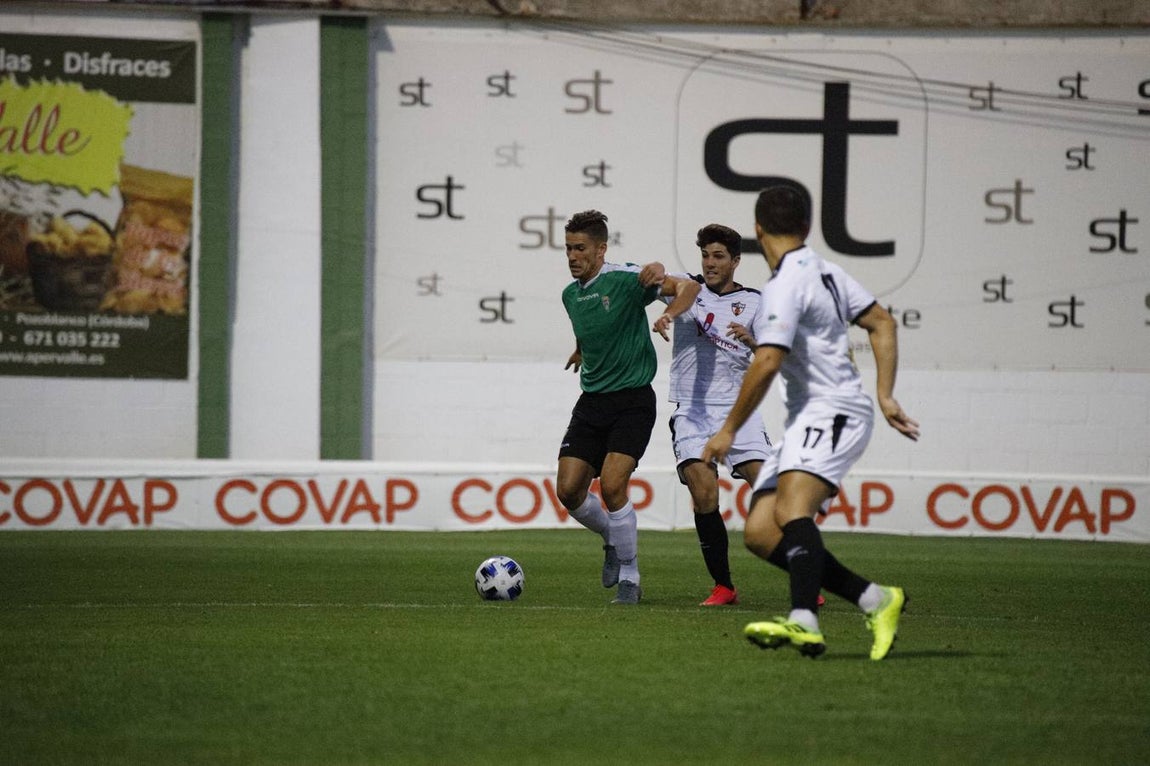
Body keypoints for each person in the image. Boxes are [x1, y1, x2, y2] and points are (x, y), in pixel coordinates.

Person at [702, 186, 920, 660]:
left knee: (792, 510)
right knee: (761, 531)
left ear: (757, 231)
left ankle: (804, 620)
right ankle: (875, 599)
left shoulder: (785, 284)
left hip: (834, 410)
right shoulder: (826, 271)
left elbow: (767, 360)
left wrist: (728, 430)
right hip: (813, 417)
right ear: (805, 227)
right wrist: (885, 394)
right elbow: (882, 322)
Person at [556, 209, 700, 605]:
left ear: (601, 249)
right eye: (568, 249)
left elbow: (689, 287)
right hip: (591, 402)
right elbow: (589, 326)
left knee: (612, 484)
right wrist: (581, 349)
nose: (572, 256)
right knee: (568, 490)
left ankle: (630, 577)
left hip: (632, 400)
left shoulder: (625, 280)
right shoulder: (570, 295)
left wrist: (668, 313)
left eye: (580, 248)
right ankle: (610, 536)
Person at [657, 224, 771, 606]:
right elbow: (657, 280)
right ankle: (724, 586)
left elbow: (772, 357)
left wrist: (752, 342)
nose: (710, 263)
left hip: (739, 411)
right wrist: (653, 274)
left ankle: (807, 576)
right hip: (691, 411)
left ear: (735, 261)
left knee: (770, 489)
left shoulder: (755, 302)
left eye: (718, 256)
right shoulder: (687, 288)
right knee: (703, 490)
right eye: (705, 255)